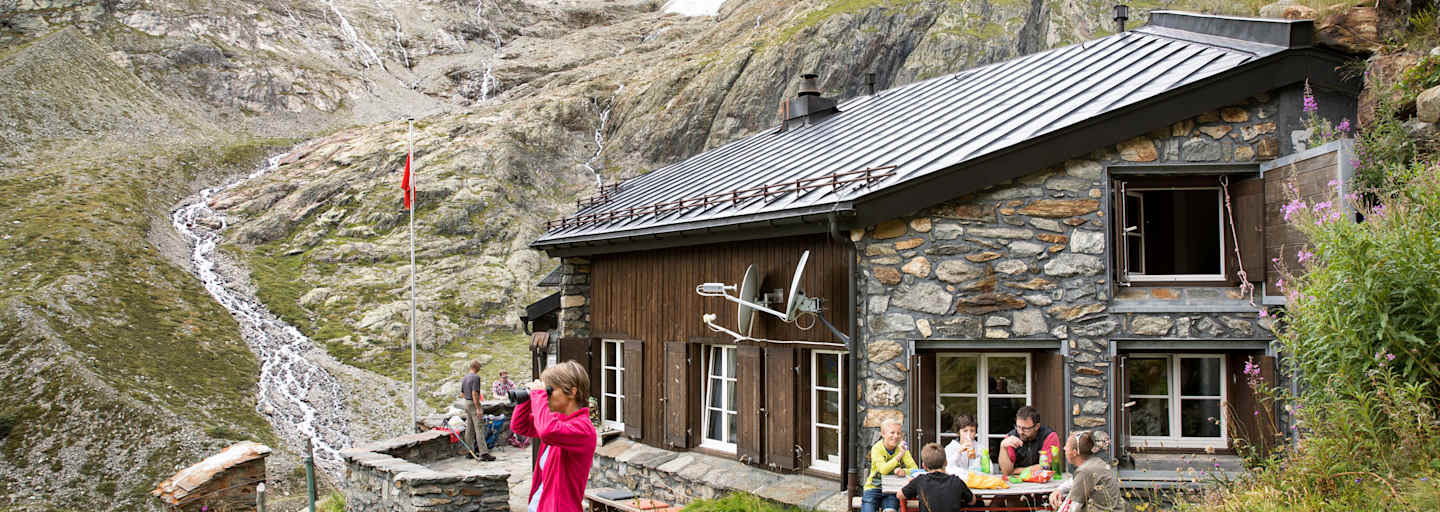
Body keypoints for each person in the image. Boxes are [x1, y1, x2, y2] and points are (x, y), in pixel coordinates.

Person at [511, 361, 597, 512]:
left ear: (572, 392)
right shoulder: (558, 421)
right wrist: (529, 398)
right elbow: (519, 425)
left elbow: (547, 431)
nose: (546, 396)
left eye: (549, 391)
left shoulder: (583, 429)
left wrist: (539, 395)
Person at [1048, 431, 1122, 512]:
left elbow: (1071, 508)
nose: (1064, 448)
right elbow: (1074, 481)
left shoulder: (1085, 471)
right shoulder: (1095, 462)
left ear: (1074, 453)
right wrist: (1059, 490)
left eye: (1067, 447)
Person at [898, 443, 977, 512]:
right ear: (946, 462)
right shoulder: (956, 481)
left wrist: (911, 484)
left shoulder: (920, 480)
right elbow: (972, 501)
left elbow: (900, 495)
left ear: (924, 466)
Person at [862, 419, 919, 512]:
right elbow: (883, 470)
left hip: (892, 489)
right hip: (874, 488)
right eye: (892, 433)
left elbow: (915, 470)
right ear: (883, 434)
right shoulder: (877, 448)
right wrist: (899, 455)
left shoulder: (902, 448)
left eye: (899, 433)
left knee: (891, 510)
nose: (896, 436)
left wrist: (904, 471)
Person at [999, 406, 1060, 477]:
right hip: (1017, 482)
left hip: (1043, 481)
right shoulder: (1010, 438)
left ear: (1037, 426)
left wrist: (1015, 471)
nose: (1020, 432)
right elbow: (1006, 471)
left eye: (1025, 428)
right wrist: (1003, 447)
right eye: (1018, 427)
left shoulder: (1049, 436)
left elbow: (1045, 467)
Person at [460, 359, 496, 461]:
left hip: (466, 403)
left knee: (469, 428)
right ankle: (484, 453)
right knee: (479, 428)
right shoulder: (476, 377)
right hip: (473, 403)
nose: (480, 368)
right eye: (479, 366)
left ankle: (469, 451)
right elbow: (474, 393)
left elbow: (462, 393)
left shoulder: (465, 377)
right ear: (476, 367)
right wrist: (478, 408)